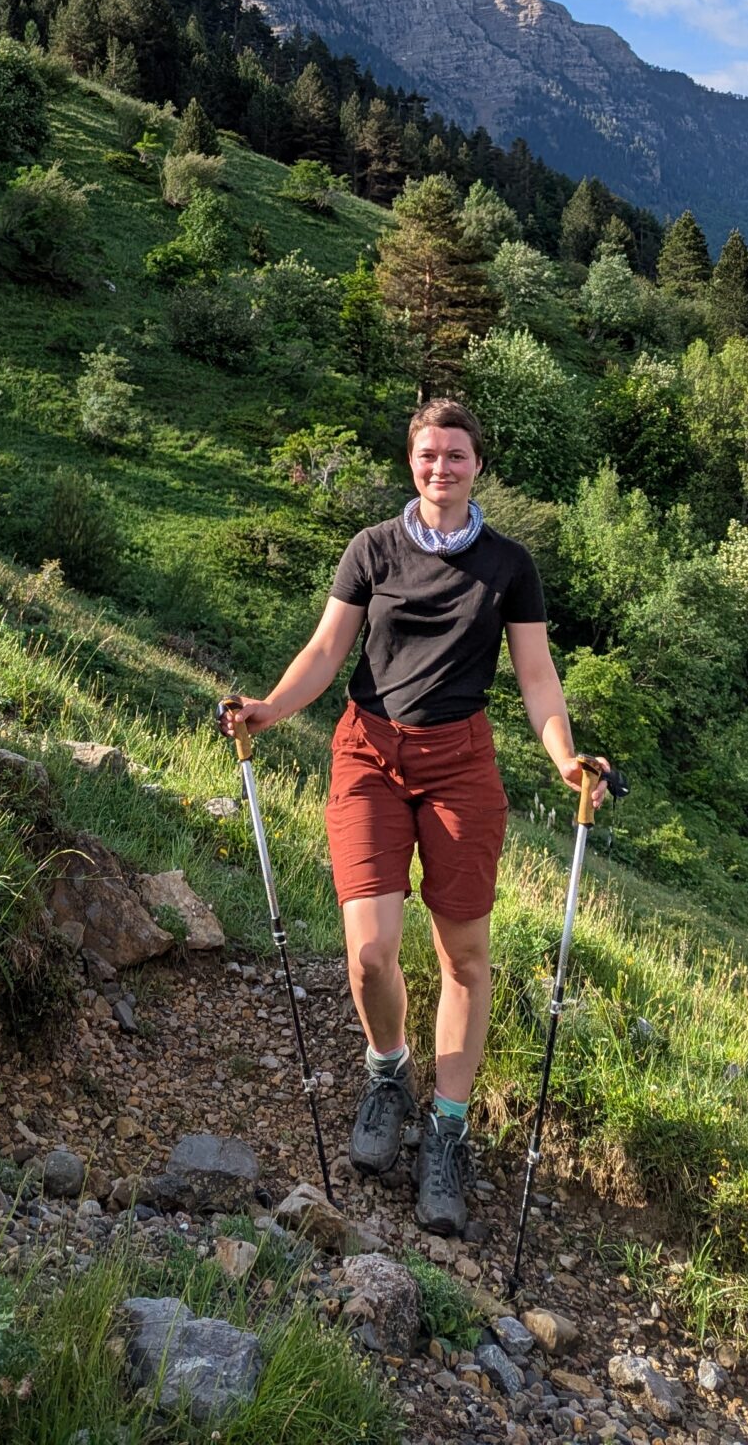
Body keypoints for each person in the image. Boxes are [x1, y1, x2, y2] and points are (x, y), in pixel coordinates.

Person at [221, 397, 609, 1236]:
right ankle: (388, 1072)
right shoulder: (372, 549)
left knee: (464, 955)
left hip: (461, 764)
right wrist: (269, 709)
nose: (442, 467)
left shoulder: (509, 566)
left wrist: (565, 758)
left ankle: (447, 1129)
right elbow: (328, 649)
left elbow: (536, 676)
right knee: (370, 953)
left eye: (456, 455)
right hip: (368, 752)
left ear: (478, 466)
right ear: (411, 462)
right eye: (429, 454)